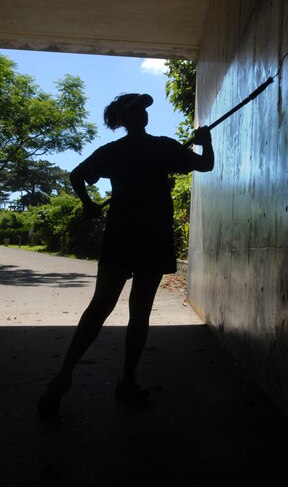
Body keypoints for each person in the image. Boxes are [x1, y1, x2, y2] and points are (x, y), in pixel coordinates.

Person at [38, 92, 214, 416]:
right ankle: (127, 380)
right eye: (140, 110)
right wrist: (206, 140)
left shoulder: (113, 152)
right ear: (131, 118)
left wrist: (89, 204)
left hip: (120, 236)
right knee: (139, 312)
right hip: (153, 237)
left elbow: (77, 175)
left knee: (100, 307)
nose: (144, 114)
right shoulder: (163, 147)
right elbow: (205, 164)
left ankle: (64, 375)